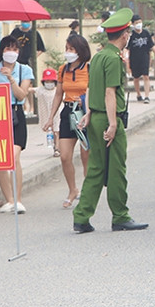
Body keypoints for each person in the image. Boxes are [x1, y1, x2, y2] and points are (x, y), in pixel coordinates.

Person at [72, 8, 148, 234]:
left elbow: (91, 89)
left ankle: (81, 217)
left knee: (95, 169)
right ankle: (120, 216)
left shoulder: (98, 56)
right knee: (116, 169)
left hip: (95, 116)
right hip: (107, 117)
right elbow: (108, 93)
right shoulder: (113, 59)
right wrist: (113, 124)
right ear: (124, 35)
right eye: (128, 34)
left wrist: (89, 113)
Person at [0, 35, 33, 214]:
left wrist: (11, 79)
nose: (11, 53)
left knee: (14, 157)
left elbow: (21, 95)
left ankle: (18, 199)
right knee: (1, 160)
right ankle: (9, 200)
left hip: (16, 114)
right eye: (7, 49)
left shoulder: (24, 70)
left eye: (14, 49)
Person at [44, 34, 92, 209]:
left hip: (84, 112)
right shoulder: (63, 69)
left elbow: (94, 90)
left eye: (71, 49)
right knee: (64, 155)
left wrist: (87, 101)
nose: (68, 52)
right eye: (67, 49)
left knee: (86, 154)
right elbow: (58, 93)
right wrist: (51, 117)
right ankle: (73, 189)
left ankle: (88, 190)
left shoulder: (89, 68)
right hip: (67, 112)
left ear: (80, 51)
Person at [126, 14, 155, 103]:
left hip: (145, 57)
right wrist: (125, 58)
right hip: (134, 58)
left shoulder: (146, 33)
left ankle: (147, 96)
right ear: (133, 24)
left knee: (146, 76)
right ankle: (138, 94)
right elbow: (127, 48)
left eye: (140, 22)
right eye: (137, 23)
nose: (139, 24)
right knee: (136, 77)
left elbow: (152, 45)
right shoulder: (131, 36)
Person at [36, 68, 61, 158]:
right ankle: (56, 146)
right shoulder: (41, 91)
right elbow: (30, 90)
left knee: (57, 130)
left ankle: (57, 148)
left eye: (51, 81)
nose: (49, 83)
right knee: (53, 131)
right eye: (47, 81)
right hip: (47, 114)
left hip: (58, 113)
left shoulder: (58, 90)